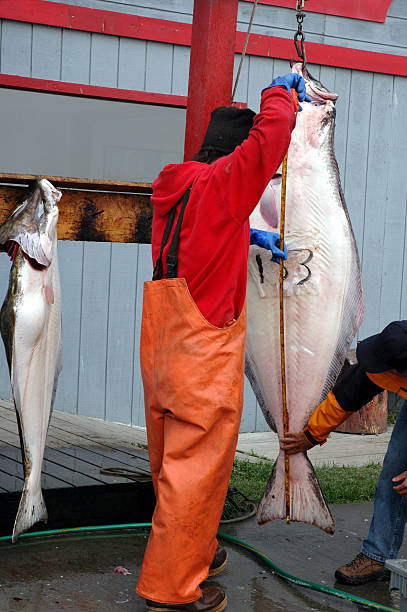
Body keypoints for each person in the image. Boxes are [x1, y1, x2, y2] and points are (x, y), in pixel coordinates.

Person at [136, 73, 310, 612]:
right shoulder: (223, 184)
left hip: (162, 347)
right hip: (201, 354)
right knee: (196, 472)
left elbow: (197, 236)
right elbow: (275, 132)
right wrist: (281, 93)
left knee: (171, 464)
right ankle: (170, 593)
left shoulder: (176, 186)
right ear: (231, 159)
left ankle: (195, 552)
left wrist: (245, 233)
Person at [281, 320, 407, 586]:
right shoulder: (387, 358)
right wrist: (310, 435)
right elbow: (346, 397)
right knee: (394, 478)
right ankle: (378, 556)